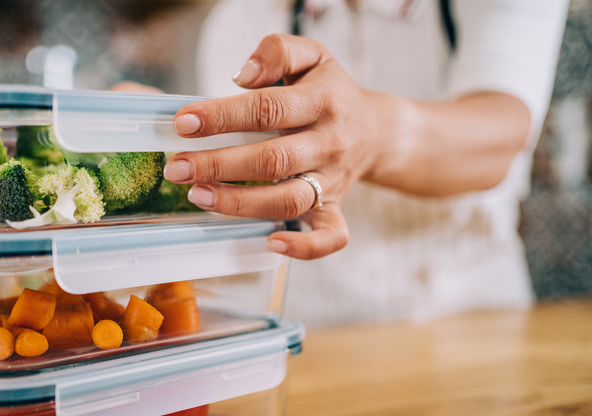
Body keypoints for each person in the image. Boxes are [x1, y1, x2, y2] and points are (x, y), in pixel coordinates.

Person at [158, 0, 569, 325]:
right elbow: (246, 181)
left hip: (479, 323)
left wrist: (368, 133)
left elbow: (500, 136)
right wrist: (161, 149)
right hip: (317, 335)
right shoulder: (241, 15)